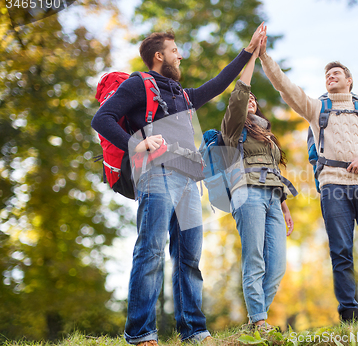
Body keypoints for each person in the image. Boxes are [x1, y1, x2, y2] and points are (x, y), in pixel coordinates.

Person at [91, 24, 266, 345]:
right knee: (151, 251)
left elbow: (219, 83)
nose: (180, 55)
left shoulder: (183, 95)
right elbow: (101, 119)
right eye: (174, 51)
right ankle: (141, 333)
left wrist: (249, 50)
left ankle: (195, 331)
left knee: (188, 257)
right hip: (156, 173)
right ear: (159, 56)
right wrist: (136, 143)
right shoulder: (138, 84)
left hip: (187, 178)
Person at [257, 31, 358, 322]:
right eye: (327, 75)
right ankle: (349, 313)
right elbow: (285, 87)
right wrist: (263, 56)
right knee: (341, 252)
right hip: (333, 186)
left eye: (336, 73)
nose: (330, 77)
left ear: (349, 80)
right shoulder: (316, 108)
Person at [220, 39, 294, 331]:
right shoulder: (233, 128)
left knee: (276, 267)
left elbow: (274, 171)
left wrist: (285, 207)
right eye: (247, 98)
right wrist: (251, 55)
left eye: (253, 99)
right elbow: (240, 92)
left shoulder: (267, 135)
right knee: (255, 259)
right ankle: (260, 322)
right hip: (247, 194)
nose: (250, 100)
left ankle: (253, 322)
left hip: (274, 199)